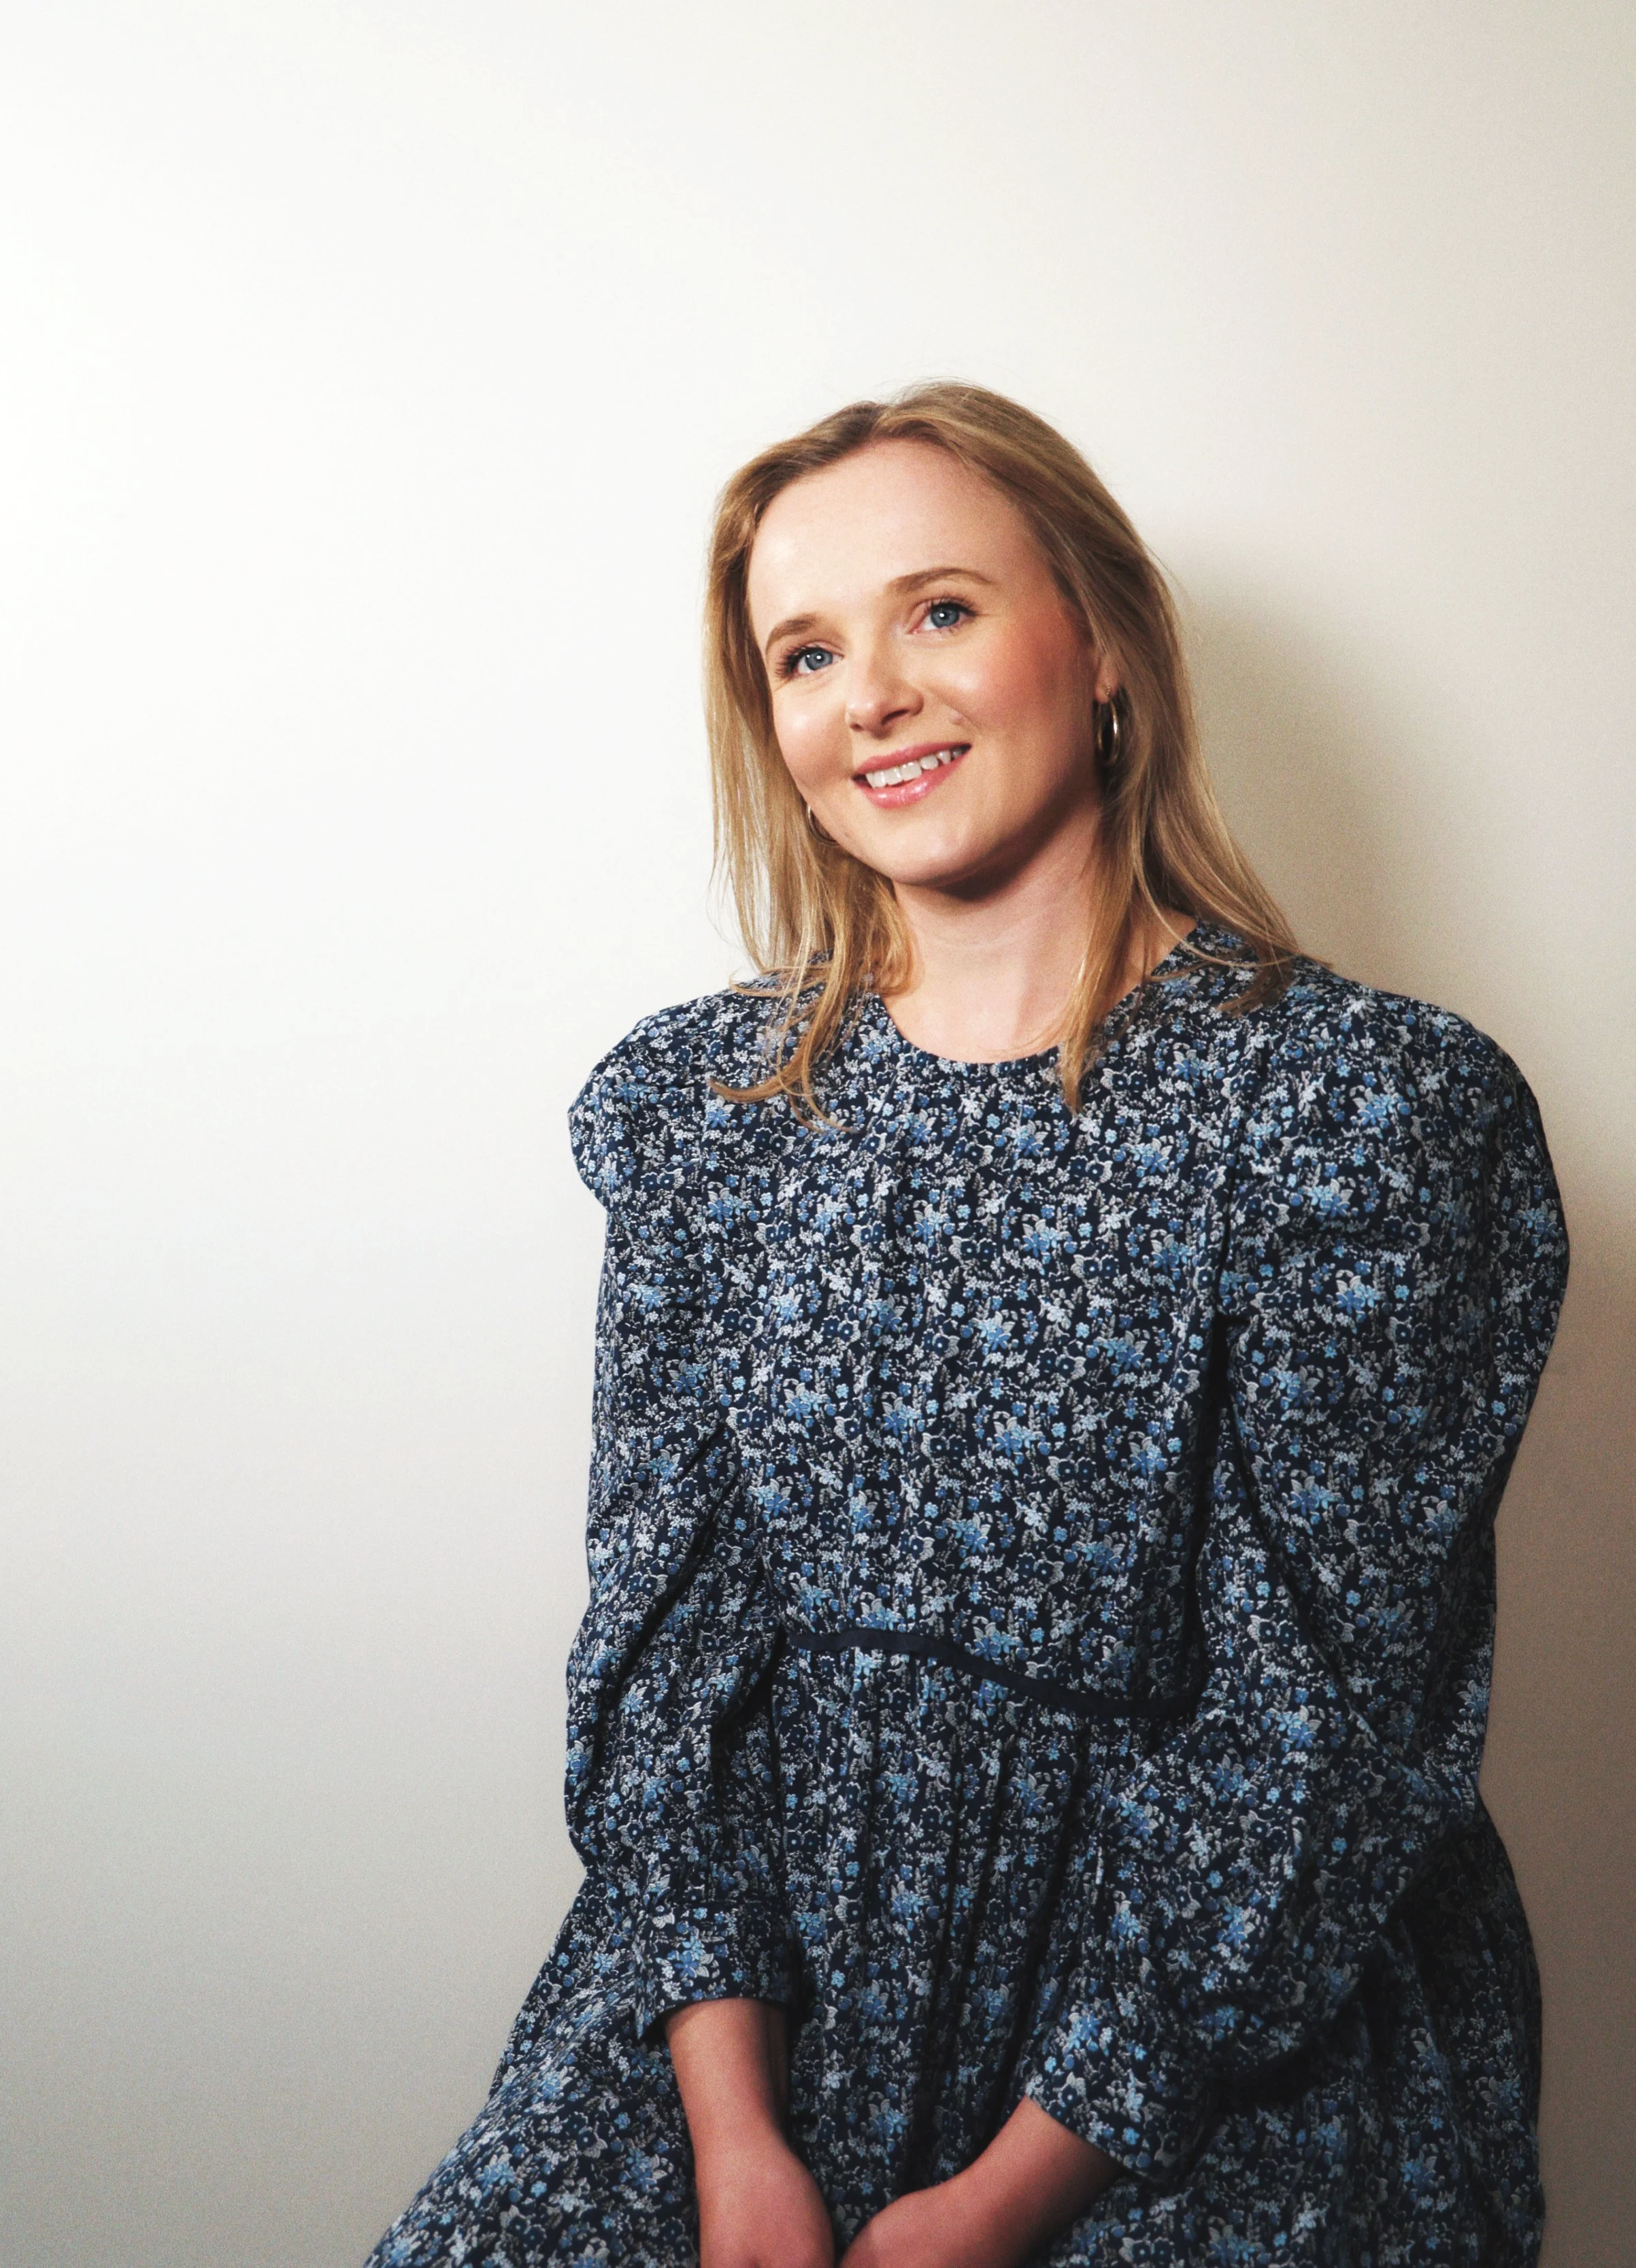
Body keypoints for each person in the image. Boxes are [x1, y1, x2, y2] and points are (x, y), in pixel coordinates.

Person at [367, 383, 1567, 2267]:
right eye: (807, 652)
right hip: (761, 2009)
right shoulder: (706, 1112)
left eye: (938, 610)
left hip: (1193, 2032)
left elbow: (1320, 1738)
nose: (872, 695)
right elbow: (668, 1662)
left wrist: (999, 2202)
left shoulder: (1360, 1114)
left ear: (1101, 643)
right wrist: (736, 2140)